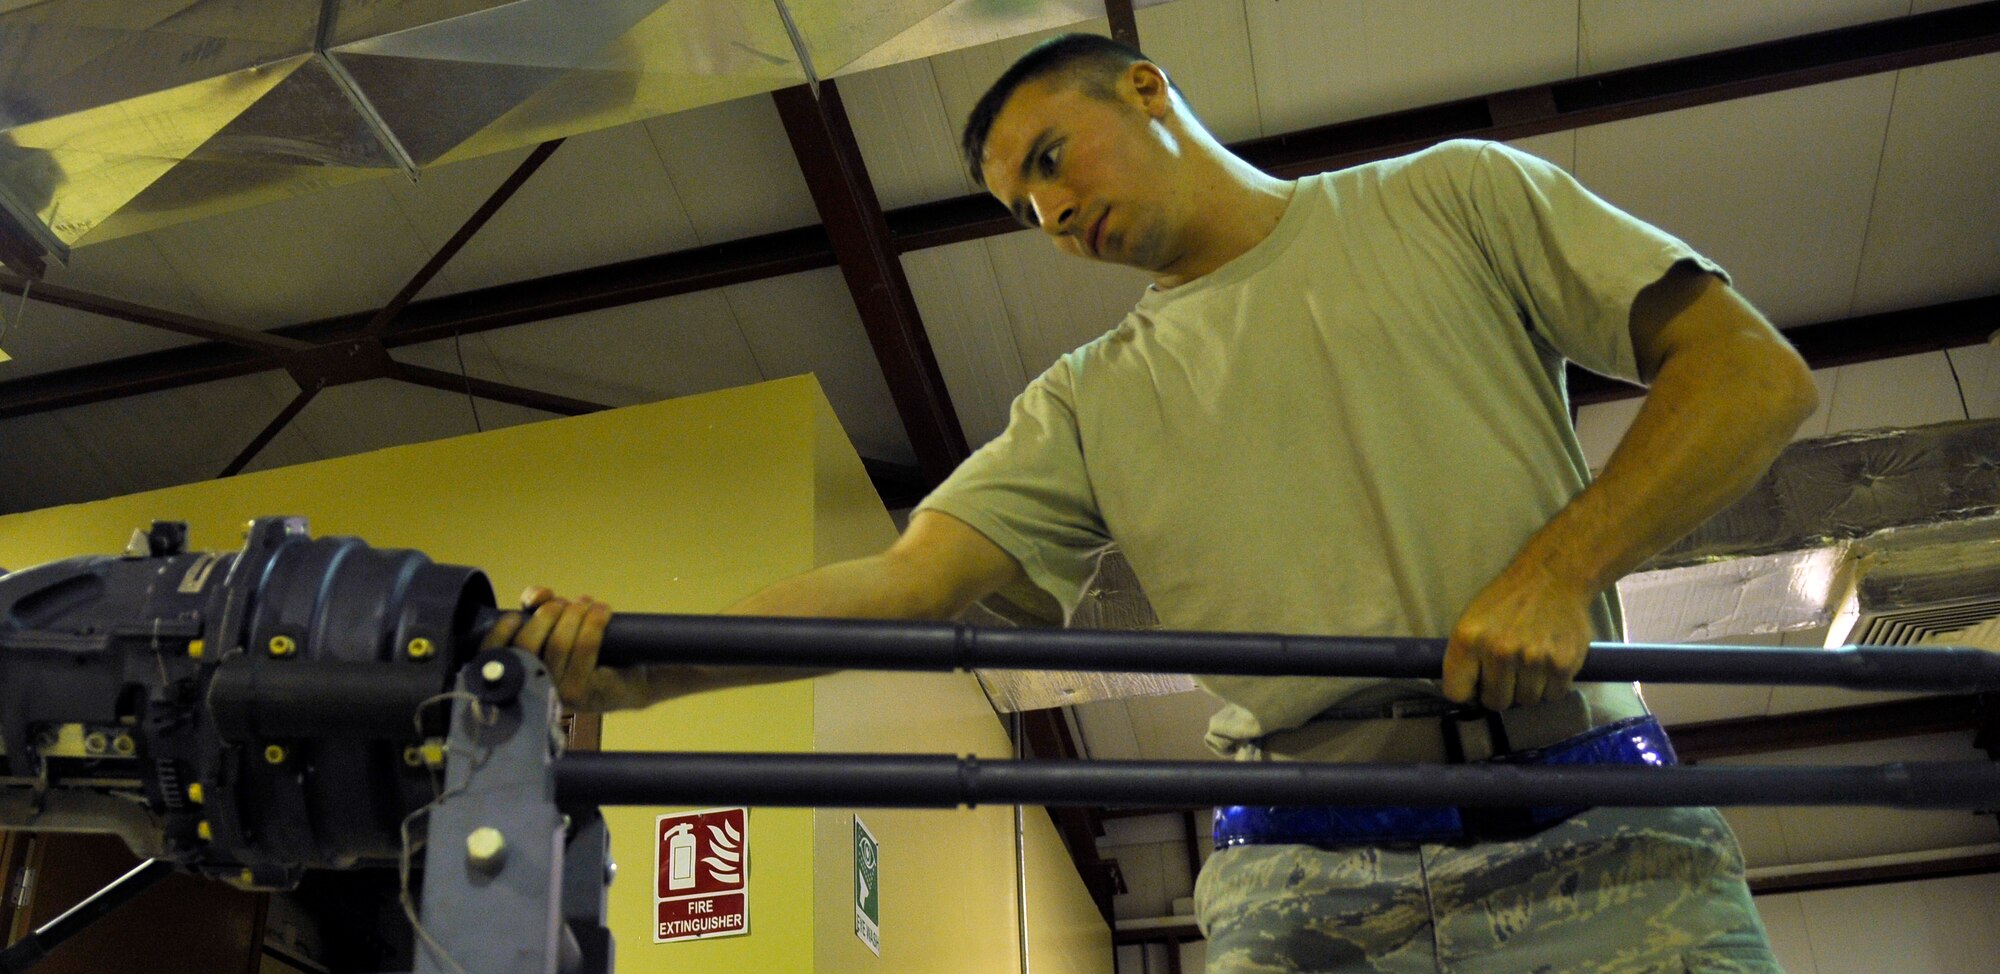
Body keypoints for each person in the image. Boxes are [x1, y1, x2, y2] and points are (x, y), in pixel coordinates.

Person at [490, 33, 1817, 973]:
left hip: (1596, 820)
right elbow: (904, 583)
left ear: (1146, 85)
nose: (1057, 212)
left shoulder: (1451, 198)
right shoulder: (1087, 396)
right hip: (1306, 870)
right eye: (1027, 205)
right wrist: (642, 667)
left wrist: (1562, 567)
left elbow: (1750, 374)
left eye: (1057, 158)